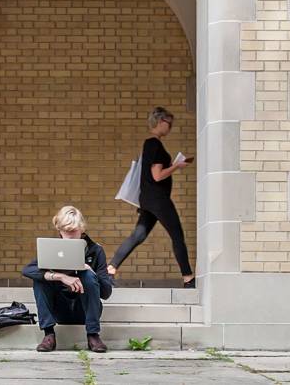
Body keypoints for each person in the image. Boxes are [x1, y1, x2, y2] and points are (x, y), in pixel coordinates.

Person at [107, 107, 195, 288]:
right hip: (158, 199)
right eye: (169, 123)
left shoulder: (150, 145)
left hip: (148, 199)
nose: (170, 128)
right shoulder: (154, 144)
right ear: (161, 122)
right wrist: (177, 165)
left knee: (138, 234)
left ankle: (110, 269)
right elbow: (157, 175)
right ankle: (188, 277)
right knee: (177, 236)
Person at [22, 206, 113, 353]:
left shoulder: (96, 250)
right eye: (65, 231)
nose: (69, 235)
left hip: (84, 310)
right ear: (59, 230)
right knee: (40, 278)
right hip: (59, 309)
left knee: (88, 275)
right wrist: (61, 276)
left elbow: (106, 293)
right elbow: (27, 270)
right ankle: (48, 335)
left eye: (74, 230)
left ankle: (93, 335)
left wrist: (90, 271)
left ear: (82, 229)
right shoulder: (52, 250)